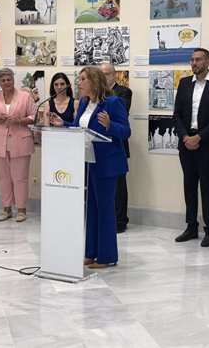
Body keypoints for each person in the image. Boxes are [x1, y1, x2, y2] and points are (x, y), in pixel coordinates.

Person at [49, 66, 130, 269]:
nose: (80, 82)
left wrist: (110, 125)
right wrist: (63, 124)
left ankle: (107, 256)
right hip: (88, 161)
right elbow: (79, 128)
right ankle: (91, 252)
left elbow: (126, 132)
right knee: (92, 209)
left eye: (83, 79)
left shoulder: (112, 102)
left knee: (105, 210)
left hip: (108, 164)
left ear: (94, 81)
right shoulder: (85, 103)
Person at [172, 48, 209, 247]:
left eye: (198, 59)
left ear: (208, 61)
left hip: (206, 143)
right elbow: (177, 114)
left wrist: (199, 137)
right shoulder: (185, 83)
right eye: (192, 60)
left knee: (206, 184)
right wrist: (186, 136)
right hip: (185, 141)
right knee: (189, 184)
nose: (194, 63)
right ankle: (190, 226)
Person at [0, 68, 37, 222]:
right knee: (3, 178)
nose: (6, 82)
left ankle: (21, 209)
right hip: (0, 142)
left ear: (13, 80)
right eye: (3, 80)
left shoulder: (25, 97)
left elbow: (33, 116)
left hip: (20, 141)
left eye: (9, 79)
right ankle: (6, 209)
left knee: (20, 178)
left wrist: (20, 121)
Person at [100, 62, 133, 233]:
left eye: (106, 74)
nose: (103, 77)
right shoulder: (95, 95)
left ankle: (121, 221)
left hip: (117, 145)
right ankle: (106, 218)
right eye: (101, 74)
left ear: (114, 75)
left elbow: (121, 111)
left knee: (119, 187)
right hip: (98, 148)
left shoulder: (124, 92)